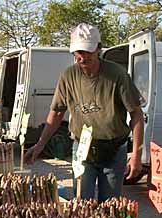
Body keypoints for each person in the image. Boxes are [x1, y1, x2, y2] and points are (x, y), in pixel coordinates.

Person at [25, 23, 144, 202]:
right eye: (78, 52)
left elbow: (136, 115)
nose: (82, 57)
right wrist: (40, 144)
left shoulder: (117, 75)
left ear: (98, 49)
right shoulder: (68, 76)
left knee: (109, 207)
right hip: (82, 148)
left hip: (113, 149)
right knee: (81, 202)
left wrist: (136, 155)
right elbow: (56, 113)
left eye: (87, 51)